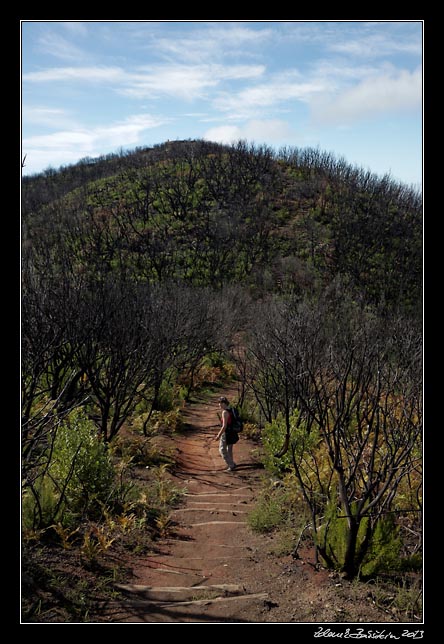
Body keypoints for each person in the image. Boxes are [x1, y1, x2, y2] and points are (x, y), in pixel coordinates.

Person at [215, 396, 238, 471]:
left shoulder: (225, 412)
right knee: (229, 449)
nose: (219, 405)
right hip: (232, 432)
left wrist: (218, 435)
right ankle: (232, 464)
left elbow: (224, 426)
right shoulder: (231, 410)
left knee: (222, 450)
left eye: (220, 403)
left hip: (226, 433)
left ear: (223, 403)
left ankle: (231, 465)